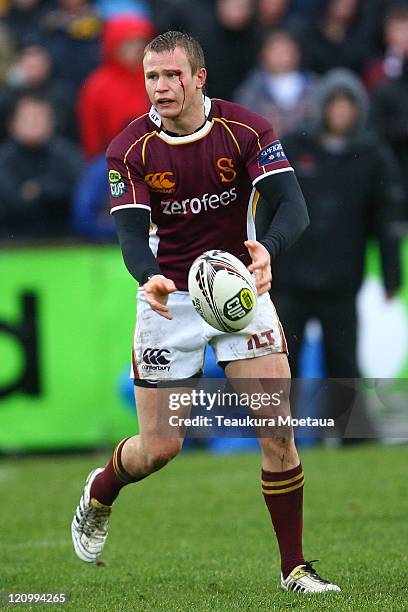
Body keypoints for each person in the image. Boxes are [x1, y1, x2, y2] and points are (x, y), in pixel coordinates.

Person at [71, 31, 340, 594]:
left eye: (172, 75)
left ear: (199, 78)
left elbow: (293, 204)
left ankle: (294, 568)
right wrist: (150, 278)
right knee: (160, 449)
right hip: (169, 299)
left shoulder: (246, 128)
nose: (161, 87)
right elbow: (129, 237)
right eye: (152, 77)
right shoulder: (130, 147)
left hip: (238, 291)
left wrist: (269, 247)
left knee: (277, 432)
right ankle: (102, 489)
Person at [271, 69, 403, 431]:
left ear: (358, 109)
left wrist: (392, 274)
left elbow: (387, 219)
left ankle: (351, 435)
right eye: (335, 104)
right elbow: (266, 207)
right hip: (290, 279)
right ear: (323, 107)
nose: (342, 112)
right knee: (285, 362)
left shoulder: (372, 156)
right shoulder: (294, 149)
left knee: (343, 362)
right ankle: (282, 433)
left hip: (342, 280)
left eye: (349, 105)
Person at [0, 92, 83, 239]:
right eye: (28, 118)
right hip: (11, 242)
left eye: (40, 118)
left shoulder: (67, 155)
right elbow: (12, 202)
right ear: (12, 124)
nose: (35, 123)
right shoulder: (4, 158)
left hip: (65, 241)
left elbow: (79, 195)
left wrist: (40, 190)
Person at [77, 14, 154, 159]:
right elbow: (91, 134)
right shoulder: (97, 84)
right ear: (114, 45)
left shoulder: (155, 76)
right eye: (129, 43)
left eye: (140, 42)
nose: (136, 48)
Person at [234, 29, 319, 138]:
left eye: (285, 51)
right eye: (275, 51)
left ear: (297, 54)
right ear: (264, 54)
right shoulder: (251, 89)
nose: (280, 56)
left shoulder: (314, 86)